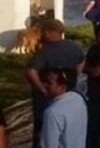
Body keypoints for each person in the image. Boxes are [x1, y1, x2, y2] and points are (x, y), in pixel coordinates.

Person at [25, 19, 85, 148]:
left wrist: (42, 88)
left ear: (47, 33)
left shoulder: (45, 51)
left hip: (47, 98)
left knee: (44, 131)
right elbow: (81, 60)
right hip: (68, 93)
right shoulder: (73, 46)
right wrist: (73, 77)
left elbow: (31, 71)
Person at [39, 67, 87, 148]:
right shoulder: (78, 99)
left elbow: (48, 145)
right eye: (44, 81)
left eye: (49, 83)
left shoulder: (52, 113)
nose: (44, 85)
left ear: (63, 86)